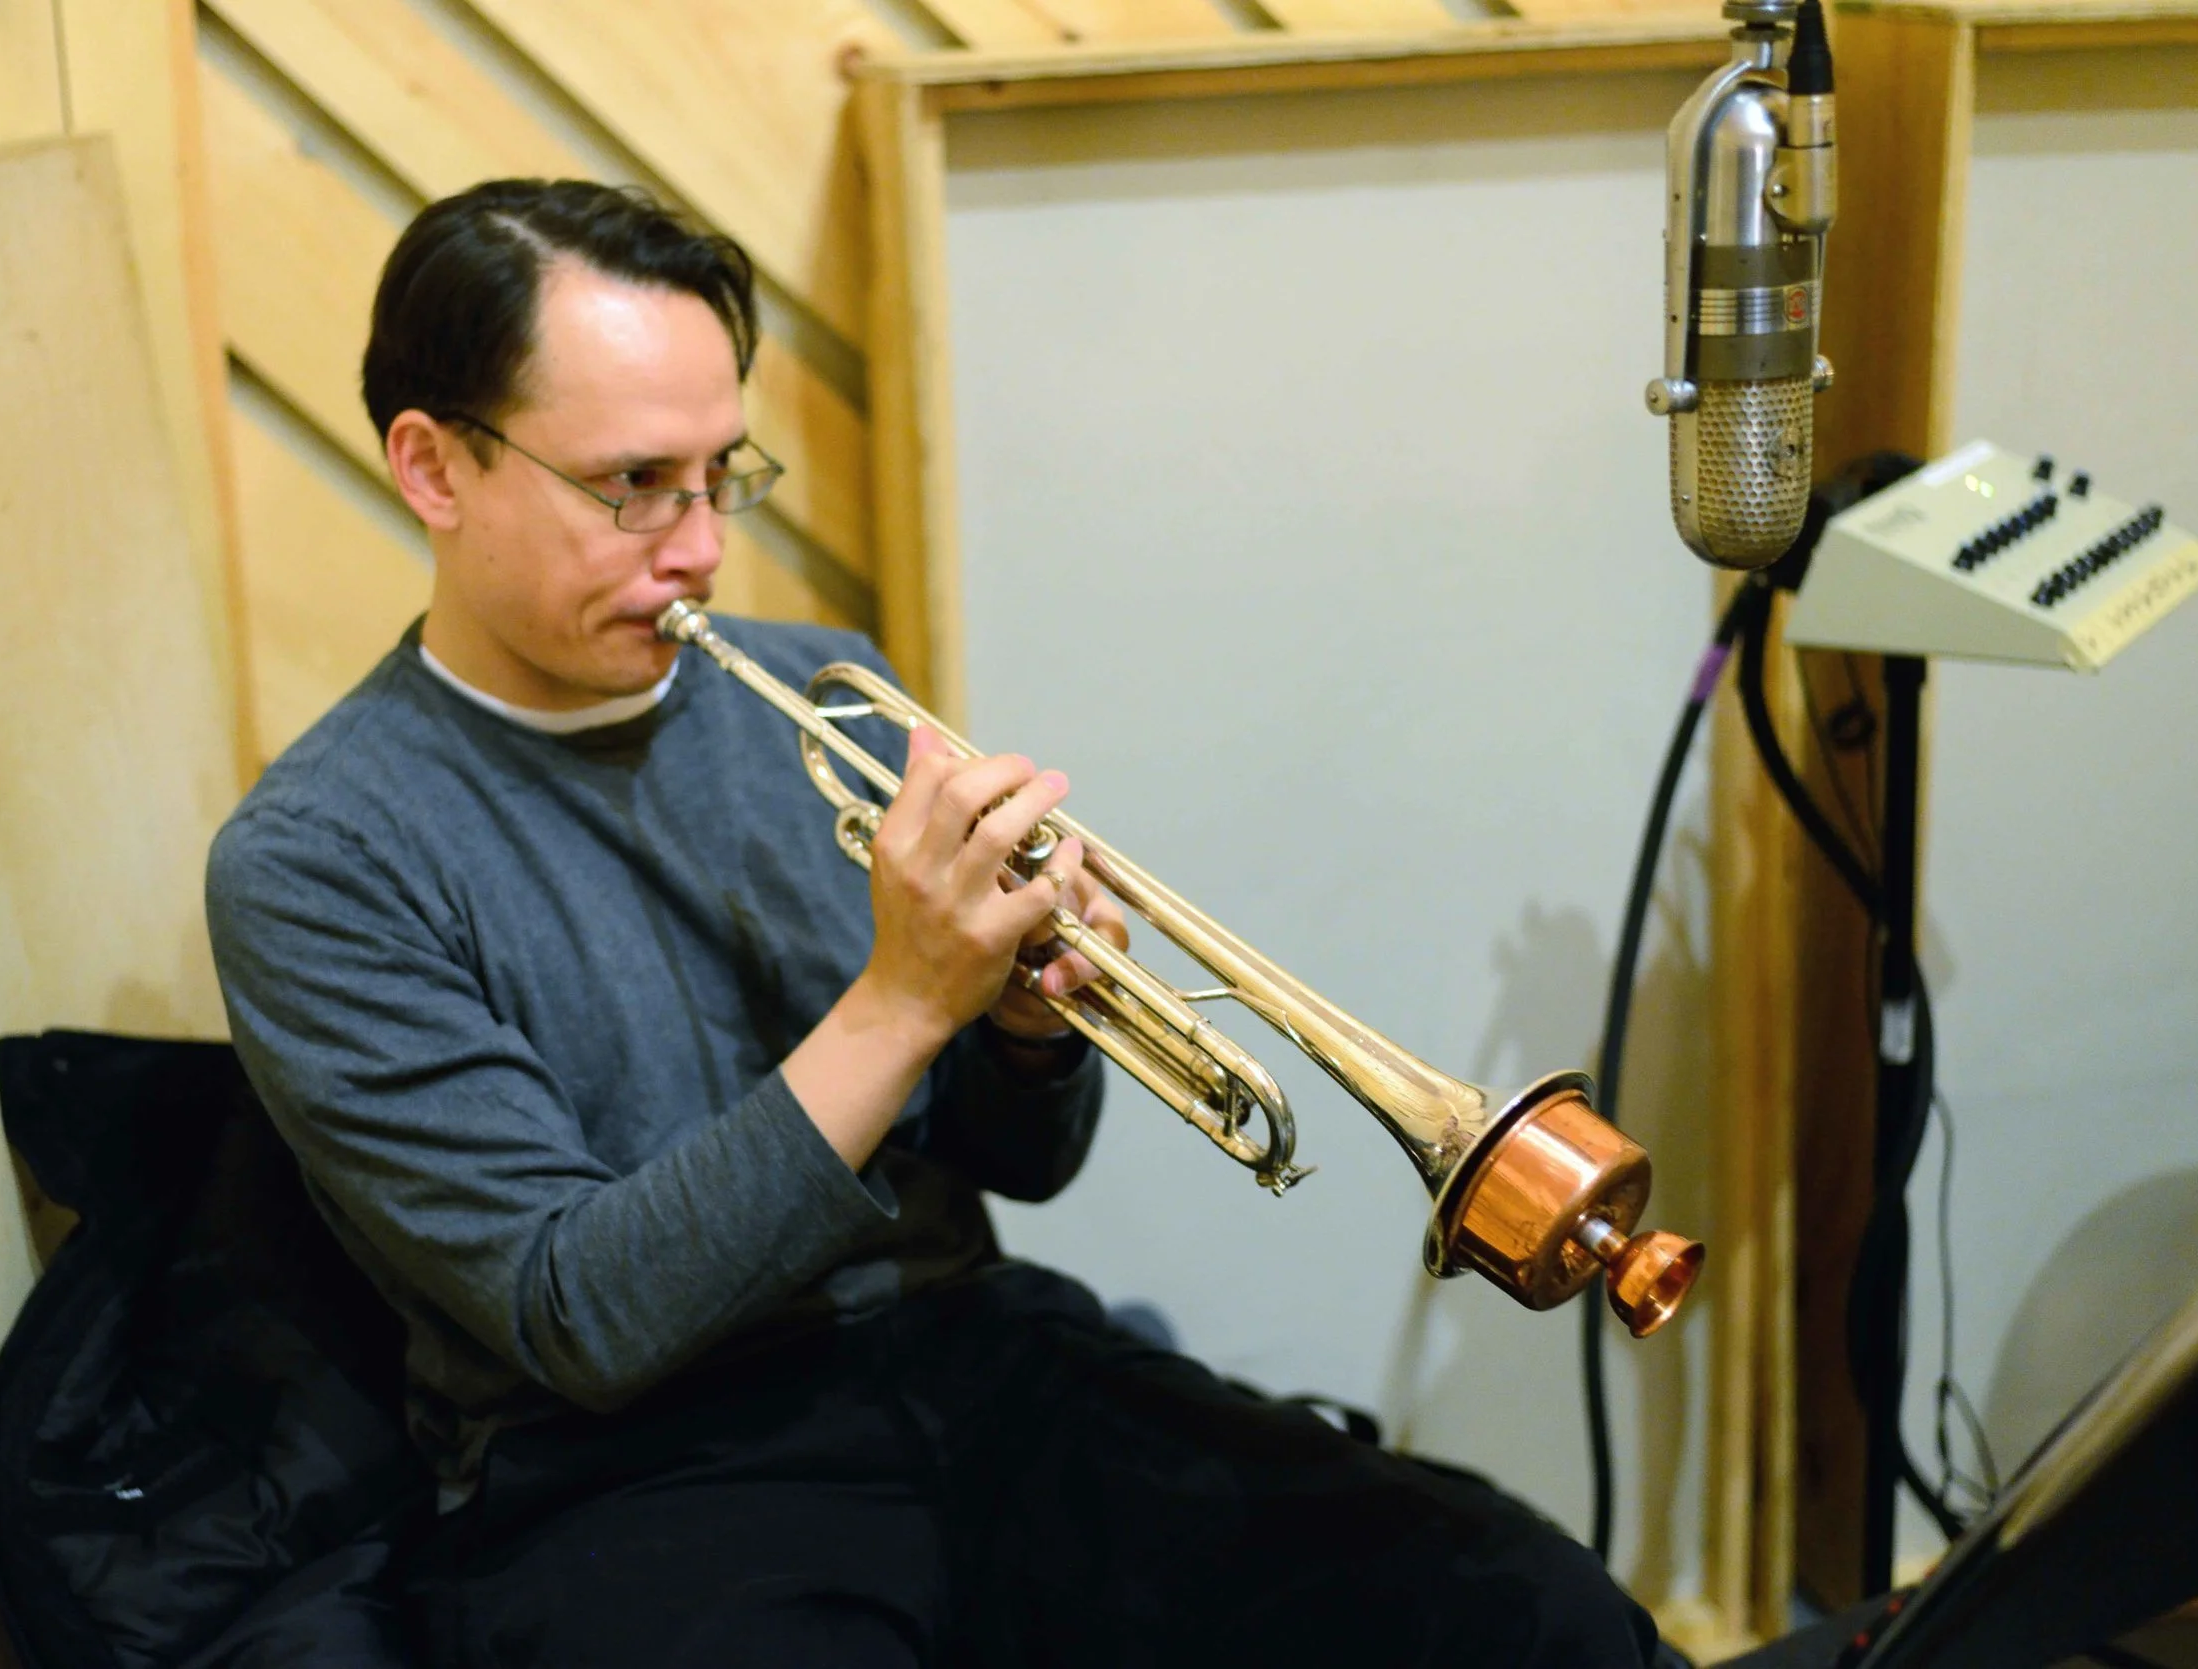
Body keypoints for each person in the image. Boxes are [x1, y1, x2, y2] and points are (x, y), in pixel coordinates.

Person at [205, 178, 1668, 1669]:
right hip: (629, 1467)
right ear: (433, 468)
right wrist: (904, 1000)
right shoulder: (319, 858)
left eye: (723, 475)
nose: (700, 548)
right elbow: (580, 1319)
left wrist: (1030, 1021)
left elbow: (1019, 1167)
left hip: (971, 1352)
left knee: (1519, 1611)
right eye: (632, 483)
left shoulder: (824, 686)